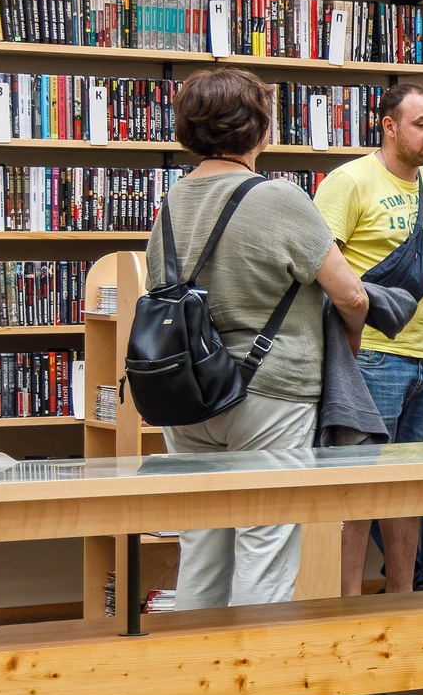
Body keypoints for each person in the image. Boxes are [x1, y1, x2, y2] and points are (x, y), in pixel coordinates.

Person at [150, 68, 369, 609]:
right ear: (259, 129)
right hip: (270, 390)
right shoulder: (278, 198)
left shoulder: (171, 202)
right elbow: (351, 296)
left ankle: (198, 677)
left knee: (201, 543)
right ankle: (256, 682)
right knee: (265, 542)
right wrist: (352, 343)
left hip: (186, 391)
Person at [316, 81, 423, 594]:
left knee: (409, 492)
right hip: (371, 357)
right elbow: (322, 264)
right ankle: (346, 602)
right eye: (421, 123)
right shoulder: (349, 181)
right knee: (357, 489)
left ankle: (402, 601)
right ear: (389, 126)